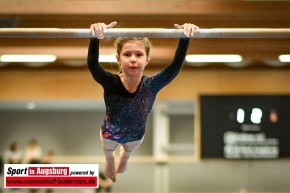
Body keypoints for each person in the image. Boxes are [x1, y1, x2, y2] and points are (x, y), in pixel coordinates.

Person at [88, 21, 199, 182]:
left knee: (127, 152)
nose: (133, 59)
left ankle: (124, 159)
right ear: (118, 59)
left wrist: (184, 38)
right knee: (108, 148)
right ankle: (109, 159)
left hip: (135, 137)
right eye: (127, 54)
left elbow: (174, 68)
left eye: (139, 54)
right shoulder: (110, 82)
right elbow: (93, 66)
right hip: (109, 132)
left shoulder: (151, 85)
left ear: (147, 59)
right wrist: (94, 37)